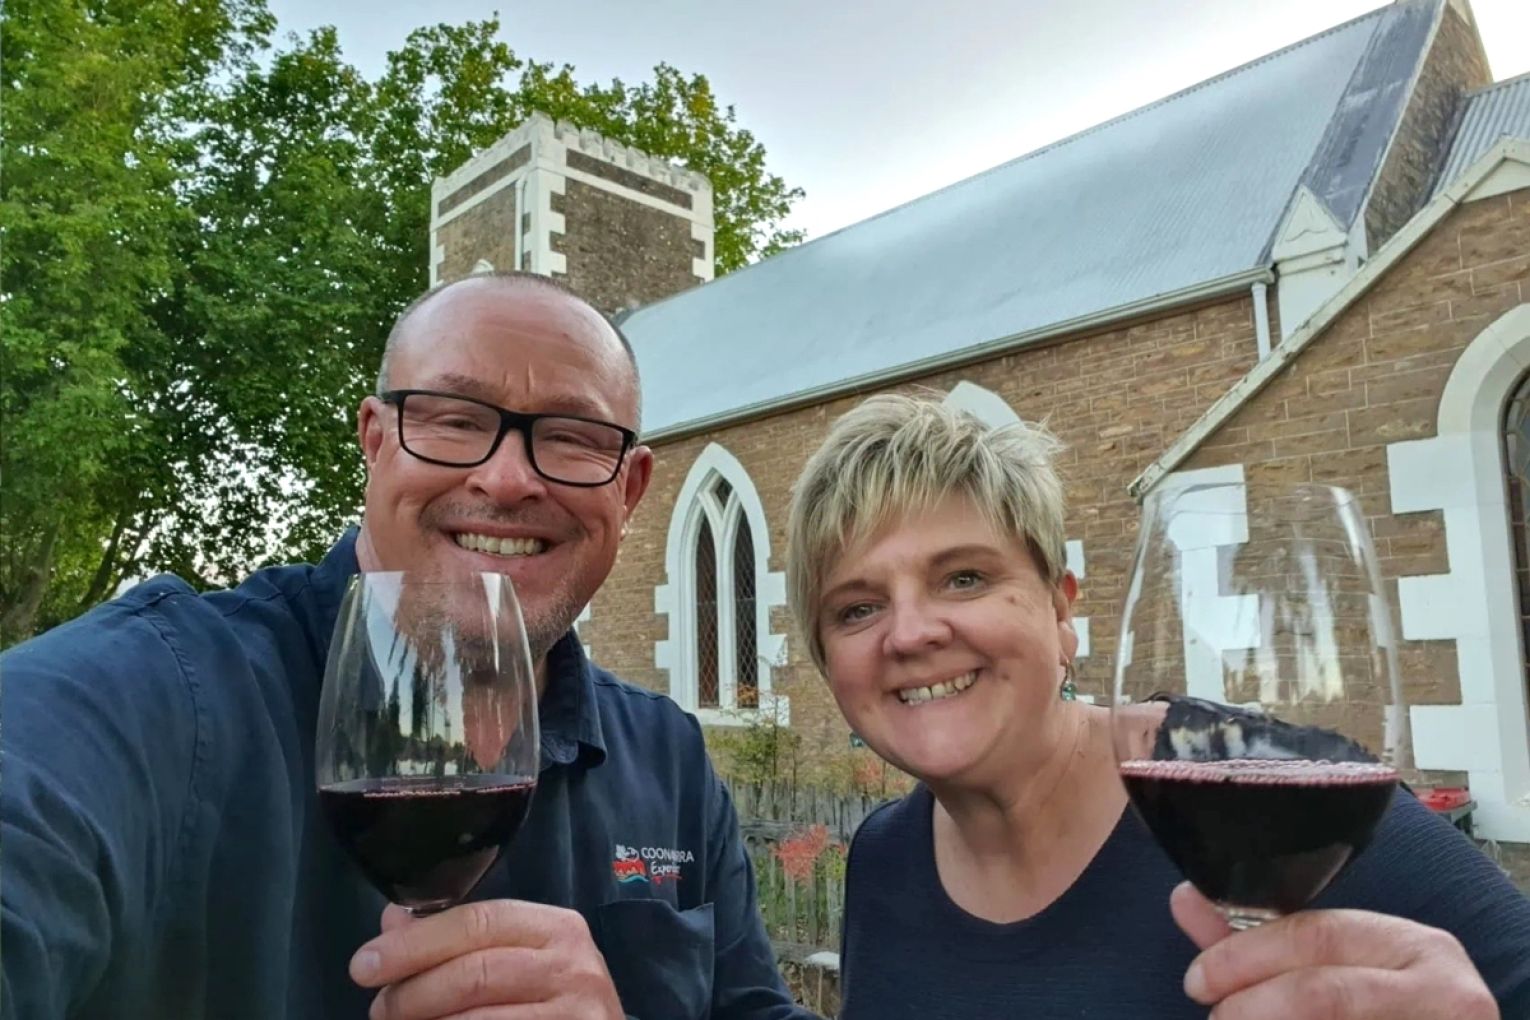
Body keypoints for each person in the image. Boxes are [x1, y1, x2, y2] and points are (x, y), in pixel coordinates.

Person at [3, 272, 815, 1020]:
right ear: (375, 440)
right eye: (455, 421)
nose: (507, 480)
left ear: (629, 488)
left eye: (572, 437)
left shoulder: (667, 757)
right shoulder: (157, 700)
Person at [783, 392, 1530, 1019]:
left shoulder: (1256, 794)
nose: (911, 633)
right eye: (857, 609)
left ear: (1060, 610)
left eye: (965, 578)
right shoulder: (883, 860)